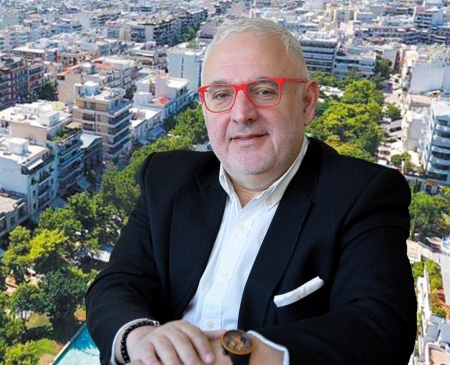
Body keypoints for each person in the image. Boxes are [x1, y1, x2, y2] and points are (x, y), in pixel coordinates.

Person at [86, 18, 417, 365]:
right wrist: (139, 338)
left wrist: (238, 354)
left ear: (307, 102)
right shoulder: (165, 178)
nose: (241, 114)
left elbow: (381, 327)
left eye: (264, 91)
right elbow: (118, 282)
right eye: (221, 95)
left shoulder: (363, 195)